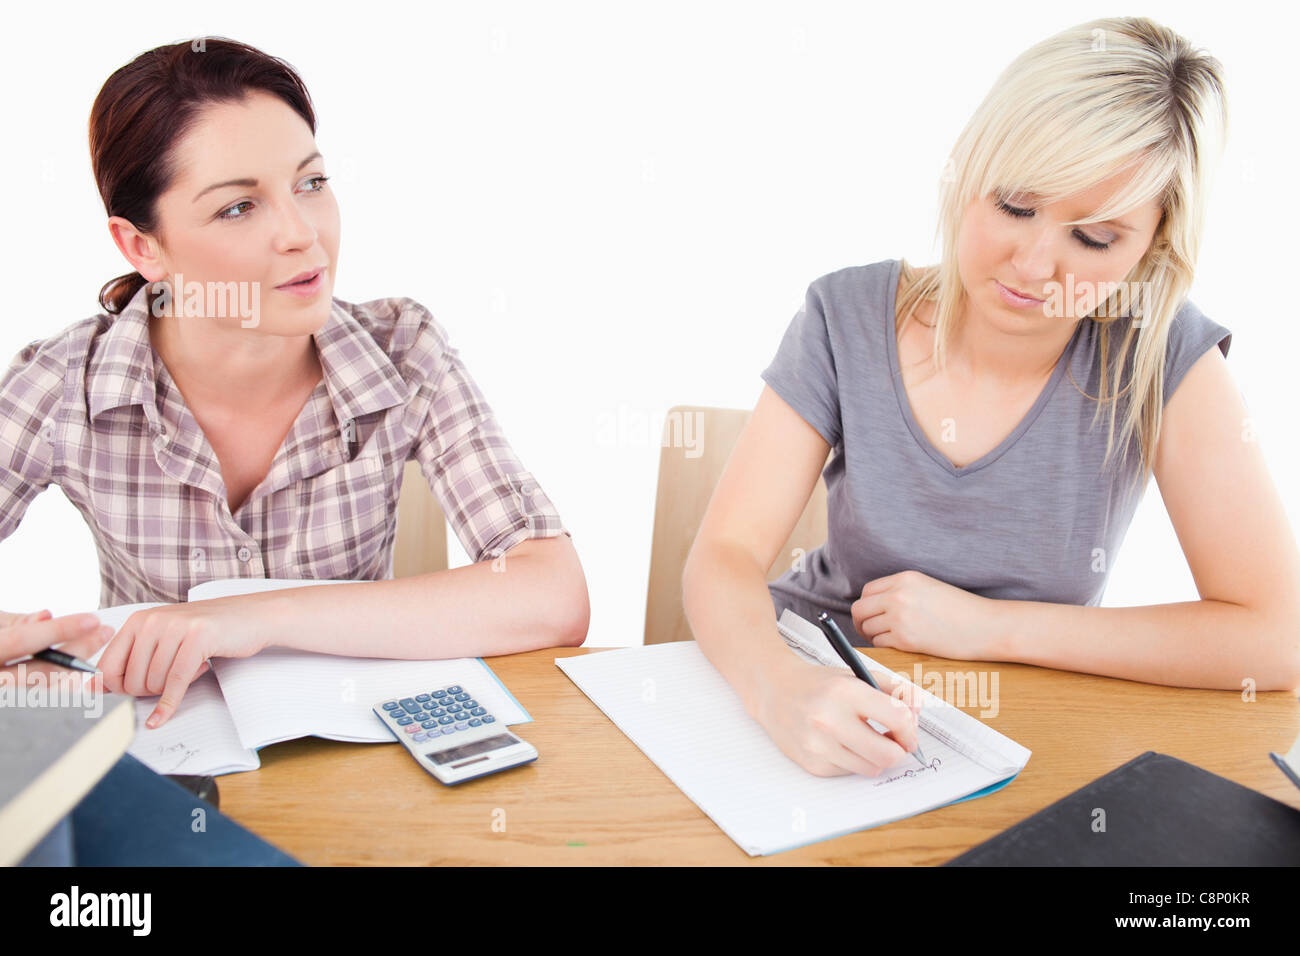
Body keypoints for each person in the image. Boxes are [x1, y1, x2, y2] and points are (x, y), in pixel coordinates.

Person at [682, 15, 1300, 779]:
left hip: (1024, 733)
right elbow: (724, 555)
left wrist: (985, 628)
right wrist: (779, 689)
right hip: (810, 684)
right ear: (967, 172)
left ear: (1153, 247)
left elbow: (1273, 640)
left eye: (1095, 238)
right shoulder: (843, 314)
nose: (1034, 264)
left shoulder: (1162, 353)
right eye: (1014, 204)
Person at [0, 38, 590, 730]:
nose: (303, 234)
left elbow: (553, 593)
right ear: (142, 247)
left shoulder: (403, 351)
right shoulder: (68, 381)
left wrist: (254, 615)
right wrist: (25, 654)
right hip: (160, 753)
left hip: (351, 757)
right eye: (238, 208)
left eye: (311, 183)